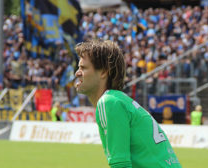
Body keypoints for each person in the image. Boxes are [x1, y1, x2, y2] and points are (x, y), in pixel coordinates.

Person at [74, 39, 181, 168]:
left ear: (103, 72)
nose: (77, 72)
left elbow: (120, 165)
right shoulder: (119, 100)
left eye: (83, 68)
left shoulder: (108, 102)